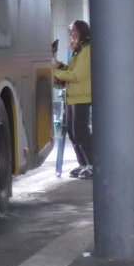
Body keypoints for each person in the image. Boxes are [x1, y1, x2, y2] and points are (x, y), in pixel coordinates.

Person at [53, 19, 94, 178]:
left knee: (81, 132)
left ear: (82, 32)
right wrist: (61, 67)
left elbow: (77, 75)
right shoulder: (79, 49)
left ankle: (91, 165)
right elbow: (71, 70)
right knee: (72, 132)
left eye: (74, 31)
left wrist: (54, 72)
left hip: (82, 97)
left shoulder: (87, 50)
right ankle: (83, 164)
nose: (71, 34)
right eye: (70, 31)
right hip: (72, 97)